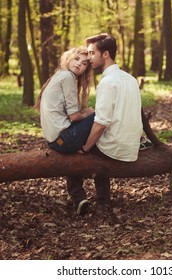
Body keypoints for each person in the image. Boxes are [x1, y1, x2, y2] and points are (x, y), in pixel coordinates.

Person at [77, 33, 143, 213]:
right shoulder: (130, 79)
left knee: (73, 149)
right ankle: (102, 201)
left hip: (115, 147)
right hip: (132, 145)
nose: (89, 58)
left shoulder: (107, 82)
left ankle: (80, 198)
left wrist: (85, 147)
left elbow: (102, 123)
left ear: (105, 54)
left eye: (92, 53)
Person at [35, 46, 95, 215]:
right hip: (65, 138)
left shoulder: (58, 75)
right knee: (102, 116)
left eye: (84, 63)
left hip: (56, 142)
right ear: (68, 58)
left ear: (85, 70)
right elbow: (75, 117)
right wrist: (88, 113)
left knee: (73, 155)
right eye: (76, 59)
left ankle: (78, 198)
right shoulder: (67, 77)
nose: (79, 64)